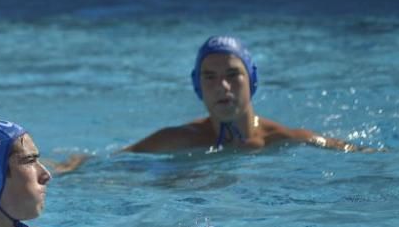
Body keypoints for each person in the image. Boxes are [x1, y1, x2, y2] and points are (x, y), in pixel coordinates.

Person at [124, 35, 365, 153]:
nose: (223, 86)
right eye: (210, 77)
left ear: (252, 80)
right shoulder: (176, 140)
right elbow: (105, 166)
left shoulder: (286, 140)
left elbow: (369, 156)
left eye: (232, 74)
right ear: (198, 86)